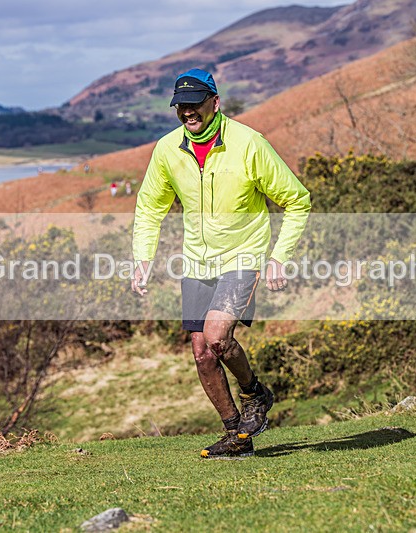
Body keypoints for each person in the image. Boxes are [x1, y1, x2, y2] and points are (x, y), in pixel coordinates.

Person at [131, 68, 311, 458]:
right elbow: (149, 208)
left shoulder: (249, 143)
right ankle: (237, 435)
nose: (187, 113)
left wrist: (280, 257)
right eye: (181, 106)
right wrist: (142, 257)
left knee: (217, 337)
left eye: (195, 104)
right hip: (197, 260)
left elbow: (298, 200)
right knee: (201, 352)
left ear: (215, 102)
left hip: (243, 255)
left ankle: (256, 394)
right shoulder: (167, 150)